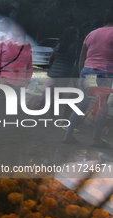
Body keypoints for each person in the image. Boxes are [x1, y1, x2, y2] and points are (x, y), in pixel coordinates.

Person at [62, 7, 113, 148]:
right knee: (102, 106)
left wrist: (80, 74)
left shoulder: (92, 33)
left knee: (82, 104)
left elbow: (82, 56)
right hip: (103, 74)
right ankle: (96, 139)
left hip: (87, 72)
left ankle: (68, 135)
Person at [36, 26, 79, 118]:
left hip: (54, 71)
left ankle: (40, 103)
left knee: (50, 89)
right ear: (74, 35)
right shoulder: (74, 46)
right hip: (65, 73)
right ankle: (51, 111)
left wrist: (51, 68)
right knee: (59, 93)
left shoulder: (58, 44)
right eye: (77, 34)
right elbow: (75, 59)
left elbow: (51, 58)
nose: (78, 36)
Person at [0, 22, 33, 89]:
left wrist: (27, 79)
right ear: (10, 26)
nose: (18, 26)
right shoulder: (1, 42)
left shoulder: (27, 45)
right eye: (15, 23)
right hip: (2, 85)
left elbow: (29, 66)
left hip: (20, 86)